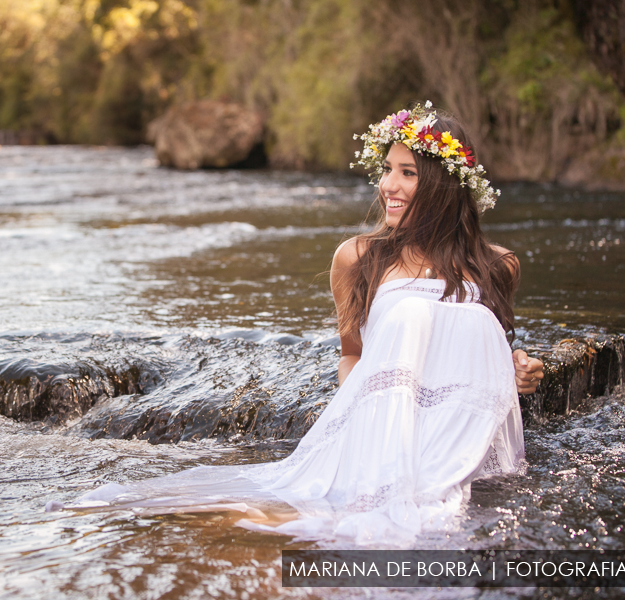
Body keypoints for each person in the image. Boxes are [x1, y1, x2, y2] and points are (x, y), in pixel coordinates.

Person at [48, 102, 544, 545]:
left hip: (469, 441)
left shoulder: (498, 264)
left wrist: (517, 368)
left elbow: (493, 345)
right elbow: (353, 356)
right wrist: (361, 423)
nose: (388, 186)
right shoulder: (358, 259)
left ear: (442, 185)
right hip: (386, 432)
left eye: (408, 173)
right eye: (387, 169)